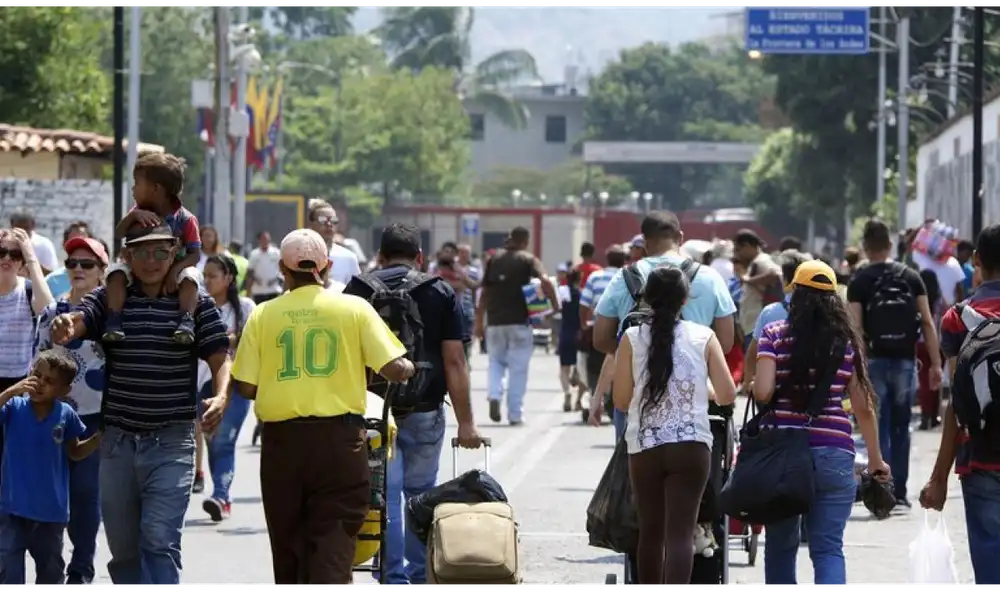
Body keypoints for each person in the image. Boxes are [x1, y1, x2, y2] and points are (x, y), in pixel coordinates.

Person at [49, 222, 231, 590]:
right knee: (125, 551)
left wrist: (222, 393)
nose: (152, 261)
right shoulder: (110, 298)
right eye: (142, 252)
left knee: (159, 540)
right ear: (128, 256)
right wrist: (67, 324)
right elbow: (80, 321)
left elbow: (218, 356)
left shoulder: (194, 302)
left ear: (175, 253)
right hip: (116, 444)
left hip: (172, 442)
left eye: (161, 252)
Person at [230, 228, 414, 587]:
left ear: (283, 269)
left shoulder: (265, 314)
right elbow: (394, 367)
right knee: (335, 533)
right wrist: (407, 366)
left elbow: (246, 386)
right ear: (326, 267)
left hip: (283, 444)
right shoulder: (354, 308)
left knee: (289, 538)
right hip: (339, 441)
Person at [343, 223, 481, 589]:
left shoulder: (357, 290)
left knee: (383, 496)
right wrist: (466, 423)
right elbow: (455, 361)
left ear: (381, 256)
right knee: (419, 496)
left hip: (371, 412)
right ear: (420, 256)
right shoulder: (440, 291)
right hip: (424, 408)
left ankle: (392, 577)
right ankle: (420, 577)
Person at [755, 259, 889, 589]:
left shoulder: (774, 335)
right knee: (828, 549)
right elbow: (863, 408)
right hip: (834, 454)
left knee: (781, 547)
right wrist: (875, 459)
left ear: (796, 295)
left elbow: (763, 391)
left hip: (783, 457)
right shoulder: (847, 344)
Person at [611, 266, 736, 587]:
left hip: (645, 448)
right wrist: (700, 389)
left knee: (651, 532)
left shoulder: (631, 338)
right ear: (685, 300)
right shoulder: (703, 336)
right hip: (692, 445)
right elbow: (726, 393)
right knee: (681, 533)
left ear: (647, 299)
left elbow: (622, 400)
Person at [593, 212, 736, 439]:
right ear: (680, 237)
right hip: (694, 398)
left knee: (631, 467)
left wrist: (634, 351)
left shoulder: (624, 278)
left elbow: (600, 338)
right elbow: (727, 343)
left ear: (645, 241)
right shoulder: (711, 278)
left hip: (636, 398)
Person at [921, 223, 1000, 588]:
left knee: (989, 566)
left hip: (980, 456)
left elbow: (956, 404)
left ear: (978, 261)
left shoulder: (959, 317)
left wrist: (938, 480)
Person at [848, 218, 941, 508]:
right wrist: (936, 364)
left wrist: (857, 368)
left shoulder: (860, 281)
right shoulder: (911, 277)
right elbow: (927, 321)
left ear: (865, 247)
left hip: (874, 360)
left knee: (879, 425)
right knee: (902, 425)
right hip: (905, 360)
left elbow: (855, 328)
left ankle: (882, 490)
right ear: (889, 245)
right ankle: (899, 492)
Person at [35, 235, 108, 588]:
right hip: (55, 417)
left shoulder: (111, 316)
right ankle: (49, 571)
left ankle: (81, 571)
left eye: (87, 264)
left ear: (102, 272)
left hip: (94, 418)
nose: (78, 270)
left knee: (83, 497)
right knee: (50, 499)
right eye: (72, 263)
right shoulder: (52, 313)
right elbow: (37, 365)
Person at [0, 351, 102, 589]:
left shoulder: (65, 414)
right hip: (12, 509)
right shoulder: (14, 407)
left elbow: (74, 452)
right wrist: (10, 391)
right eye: (37, 375)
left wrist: (97, 439)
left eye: (49, 381)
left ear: (64, 390)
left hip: (50, 513)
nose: (40, 383)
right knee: (9, 573)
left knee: (50, 573)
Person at [104, 152, 203, 344]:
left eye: (137, 183)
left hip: (176, 269)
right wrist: (132, 218)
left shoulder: (186, 220)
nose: (133, 189)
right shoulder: (138, 212)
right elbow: (119, 233)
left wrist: (175, 271)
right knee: (115, 273)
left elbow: (195, 254)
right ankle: (114, 319)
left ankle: (186, 320)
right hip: (140, 267)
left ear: (155, 189)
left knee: (191, 278)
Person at [475, 226, 558, 425]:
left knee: (495, 362)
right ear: (525, 240)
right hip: (520, 322)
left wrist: (478, 321)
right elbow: (545, 281)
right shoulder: (528, 259)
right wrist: (554, 304)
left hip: (495, 322)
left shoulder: (493, 259)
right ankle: (515, 413)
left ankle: (494, 394)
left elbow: (484, 293)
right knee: (518, 369)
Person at [196, 255, 255, 521]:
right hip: (202, 383)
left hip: (236, 386)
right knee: (211, 439)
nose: (207, 281)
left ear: (229, 278)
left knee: (225, 439)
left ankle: (220, 495)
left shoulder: (245, 307)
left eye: (213, 276)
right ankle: (222, 495)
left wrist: (228, 339)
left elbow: (250, 340)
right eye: (204, 276)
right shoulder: (197, 306)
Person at [742, 250, 812, 387]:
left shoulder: (770, 312)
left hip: (775, 388)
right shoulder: (824, 310)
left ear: (785, 280)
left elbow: (753, 351)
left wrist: (747, 381)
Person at [733, 229, 782, 351]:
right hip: (752, 326)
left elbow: (775, 275)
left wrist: (748, 280)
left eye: (738, 249)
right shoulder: (754, 262)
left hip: (757, 326)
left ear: (747, 246)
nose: (737, 254)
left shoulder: (762, 261)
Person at [306, 198, 361, 285]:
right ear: (310, 224)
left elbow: (356, 292)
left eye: (333, 220)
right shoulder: (300, 255)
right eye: (323, 219)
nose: (329, 224)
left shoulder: (349, 257)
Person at [916, 269, 945, 430]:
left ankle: (925, 415)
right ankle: (934, 415)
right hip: (940, 343)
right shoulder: (941, 302)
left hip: (920, 343)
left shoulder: (916, 300)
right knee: (936, 380)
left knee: (923, 380)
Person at [557, 269, 587, 412]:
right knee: (581, 368)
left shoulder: (562, 292)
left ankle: (567, 393)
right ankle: (578, 400)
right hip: (579, 334)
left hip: (565, 333)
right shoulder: (582, 293)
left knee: (564, 368)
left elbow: (556, 308)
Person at [45, 221, 91, 300]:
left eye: (83, 241)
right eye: (74, 241)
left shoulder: (101, 278)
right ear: (64, 245)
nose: (79, 246)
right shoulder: (51, 281)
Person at [9, 211, 58, 275]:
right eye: (19, 228)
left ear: (33, 225)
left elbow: (53, 274)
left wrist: (33, 266)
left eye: (26, 228)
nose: (22, 232)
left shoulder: (44, 245)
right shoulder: (4, 244)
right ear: (12, 225)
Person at [245, 231, 283, 304]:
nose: (266, 241)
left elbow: (281, 269)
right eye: (264, 239)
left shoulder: (276, 253)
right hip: (258, 290)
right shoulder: (254, 254)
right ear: (259, 240)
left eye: (267, 239)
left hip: (273, 289)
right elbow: (250, 272)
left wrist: (277, 278)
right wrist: (248, 290)